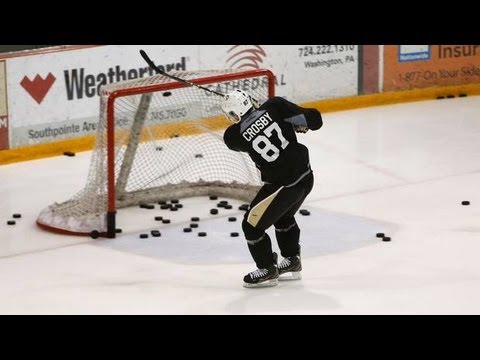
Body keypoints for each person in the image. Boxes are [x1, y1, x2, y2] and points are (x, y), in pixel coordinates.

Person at [221, 89, 323, 288]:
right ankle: (292, 261)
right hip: (305, 177)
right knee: (283, 216)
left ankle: (267, 268)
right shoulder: (276, 106)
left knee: (251, 226)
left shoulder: (233, 136)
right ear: (250, 99)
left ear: (233, 115)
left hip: (283, 185)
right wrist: (299, 123)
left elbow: (243, 133)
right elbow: (315, 119)